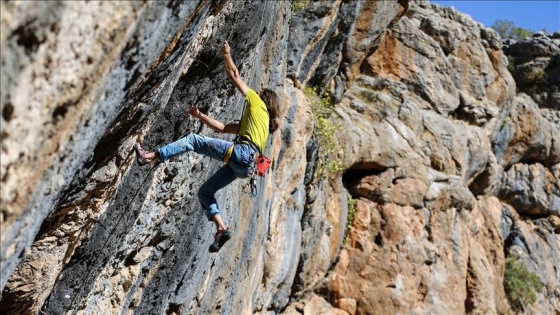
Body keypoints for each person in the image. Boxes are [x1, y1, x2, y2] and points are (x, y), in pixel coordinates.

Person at [134, 41, 280, 252]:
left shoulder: (257, 102)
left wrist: (227, 54)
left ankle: (149, 156)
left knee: (193, 140)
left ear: (263, 97)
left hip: (241, 154)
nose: (256, 90)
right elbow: (222, 128)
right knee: (205, 192)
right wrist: (200, 116)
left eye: (259, 91)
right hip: (245, 168)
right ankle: (221, 228)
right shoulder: (261, 125)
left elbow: (235, 76)